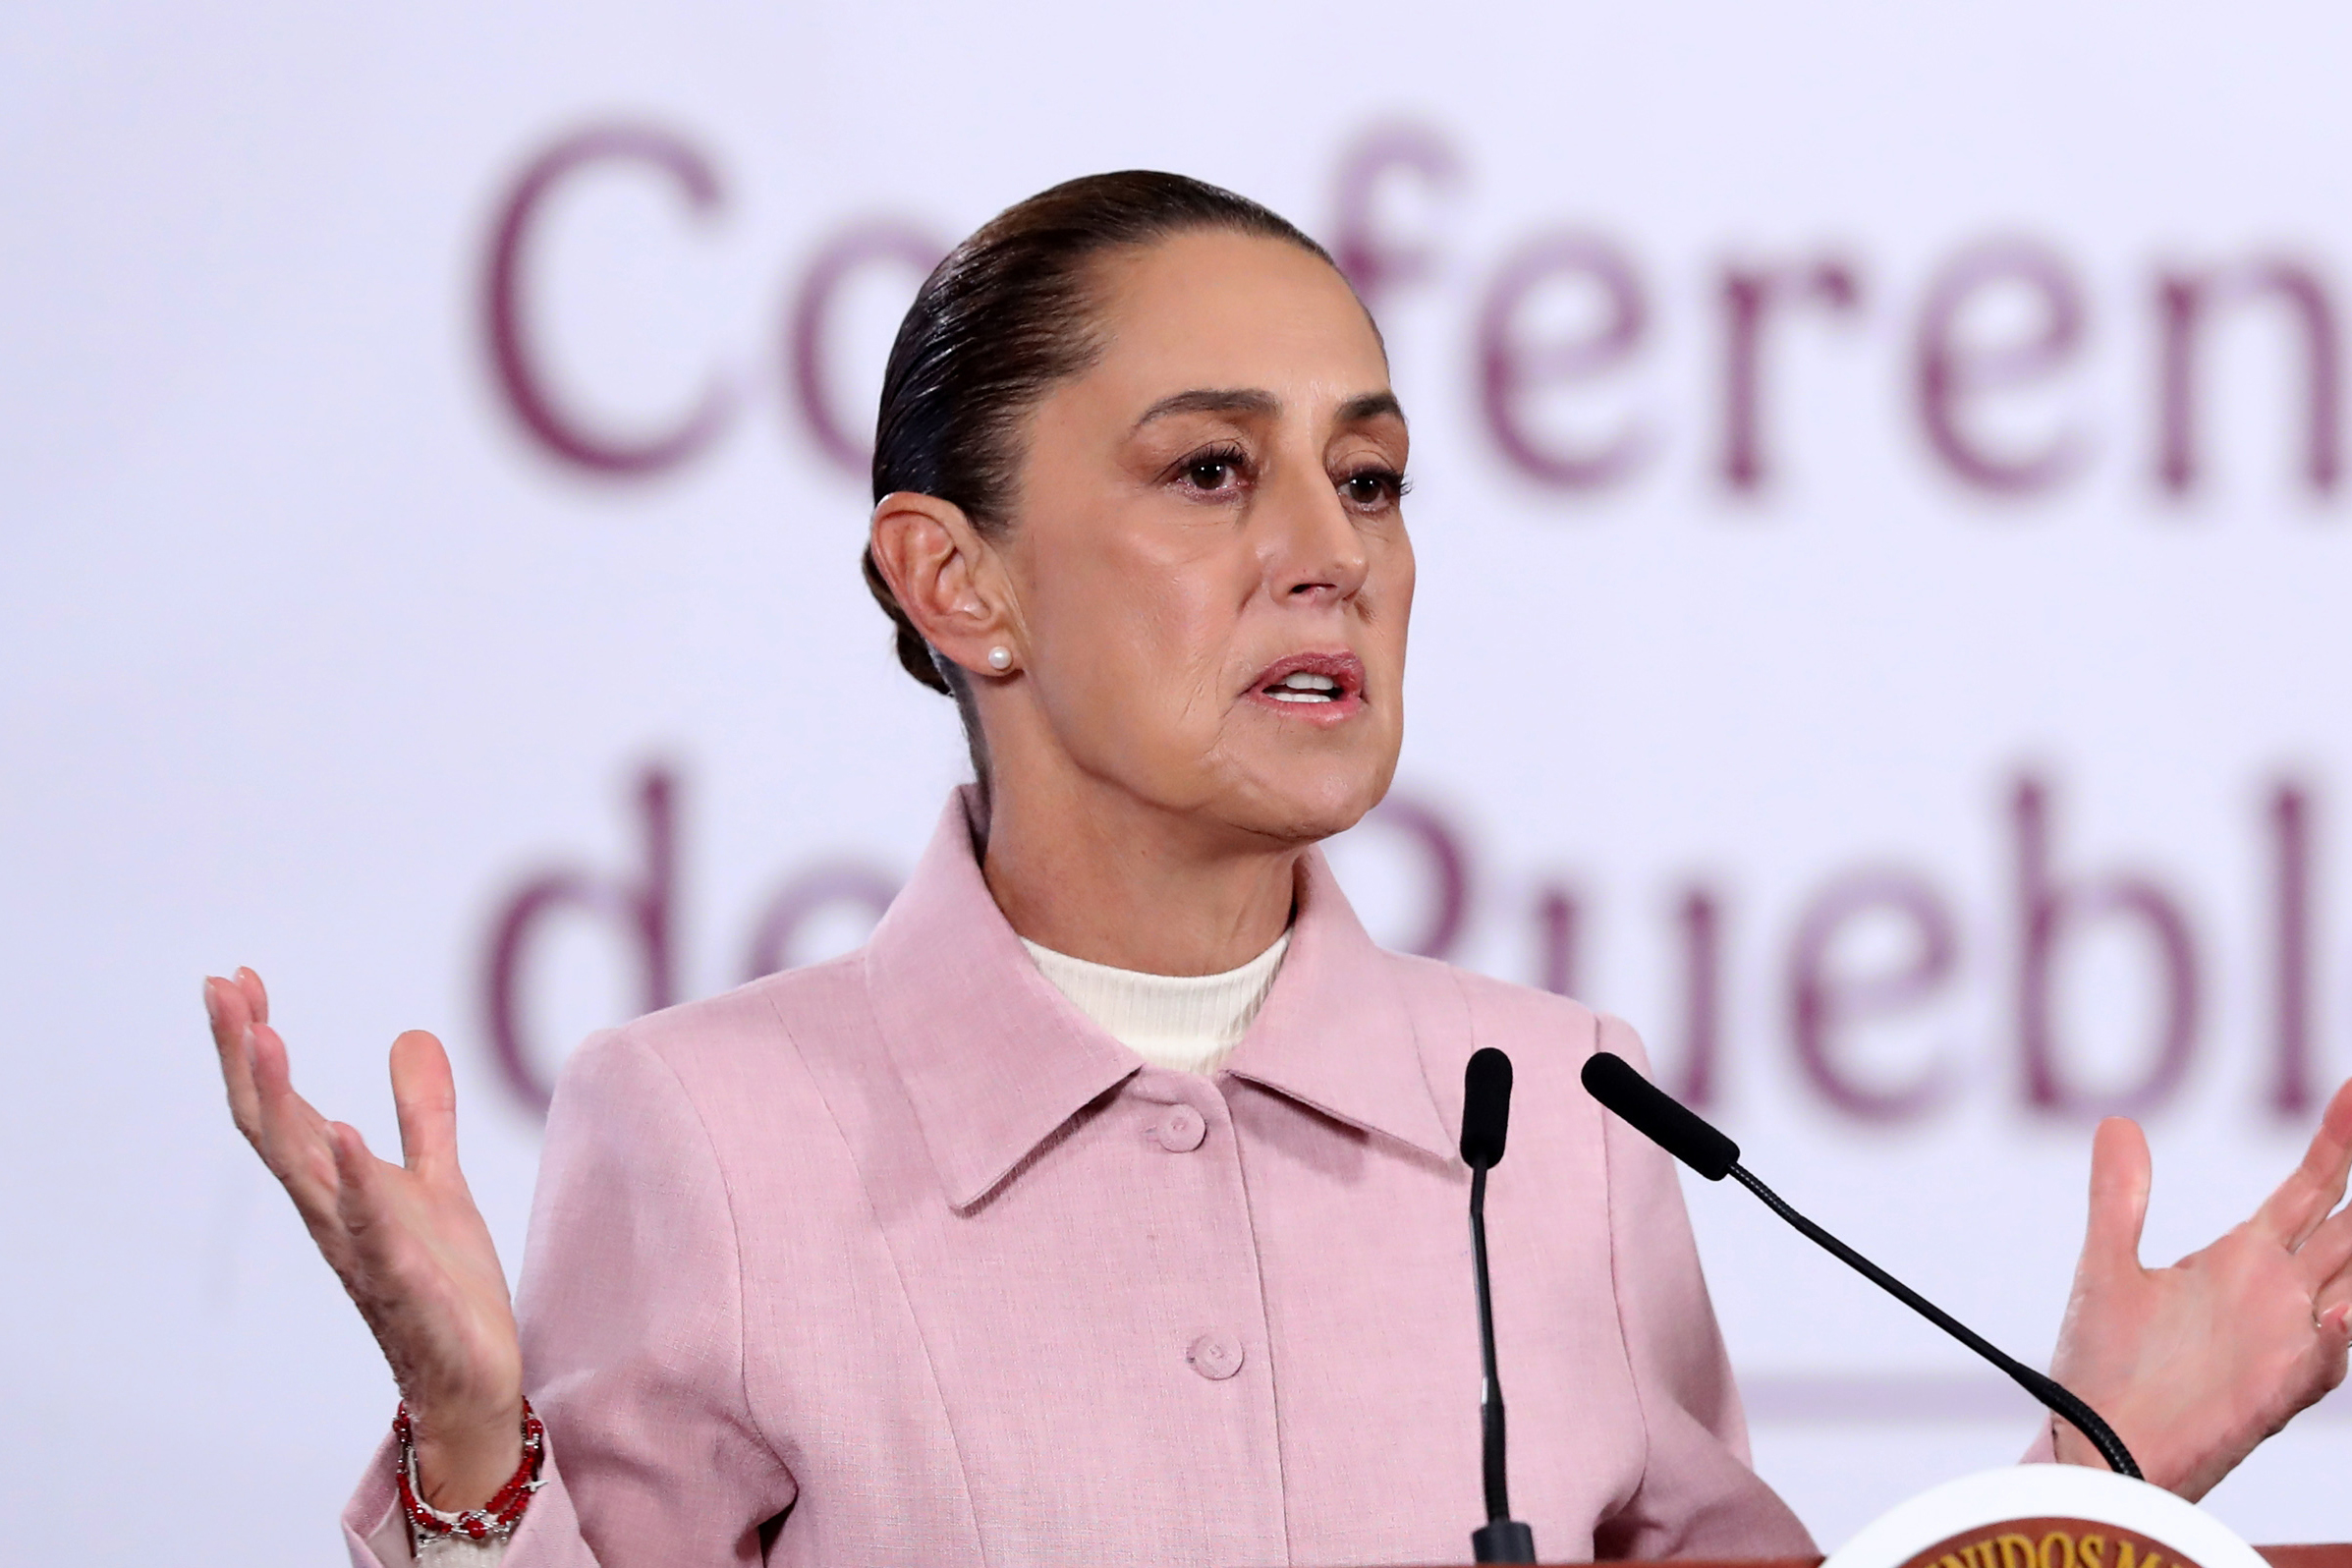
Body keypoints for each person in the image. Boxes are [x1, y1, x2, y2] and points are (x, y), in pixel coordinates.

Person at [202, 172, 2352, 1568]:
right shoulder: (715, 1128)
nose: (1331, 551)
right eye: (1213, 471)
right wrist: (479, 1456)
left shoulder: (1568, 1117)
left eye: (1376, 477)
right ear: (957, 583)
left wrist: (2092, 1496)